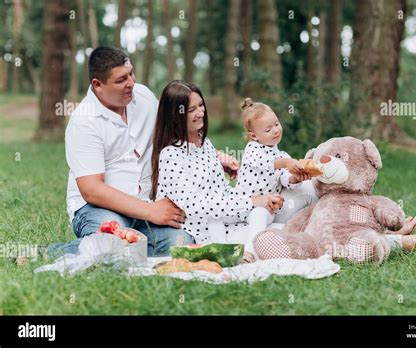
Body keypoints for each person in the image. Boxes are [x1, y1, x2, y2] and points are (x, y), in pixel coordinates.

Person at [51, 47, 239, 258]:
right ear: (98, 85)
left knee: (184, 243)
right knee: (114, 246)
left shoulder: (143, 97)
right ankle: (55, 252)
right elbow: (92, 190)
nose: (131, 82)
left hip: (149, 203)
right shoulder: (84, 122)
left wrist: (214, 157)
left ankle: (130, 243)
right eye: (121, 79)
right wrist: (151, 212)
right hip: (97, 209)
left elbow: (173, 132)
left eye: (131, 73)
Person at [149, 80, 286, 260]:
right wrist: (252, 201)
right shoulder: (170, 156)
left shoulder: (205, 144)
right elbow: (196, 205)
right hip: (203, 234)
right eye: (191, 110)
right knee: (270, 242)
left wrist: (251, 192)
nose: (200, 113)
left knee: (282, 230)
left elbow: (221, 192)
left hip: (227, 222)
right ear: (175, 115)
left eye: (200, 105)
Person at [232, 98, 317, 259]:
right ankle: (250, 250)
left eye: (276, 124)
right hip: (244, 203)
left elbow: (285, 180)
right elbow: (266, 163)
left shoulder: (282, 155)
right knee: (255, 216)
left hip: (267, 207)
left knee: (260, 215)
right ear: (254, 136)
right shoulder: (253, 150)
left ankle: (304, 234)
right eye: (268, 129)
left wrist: (296, 177)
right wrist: (286, 163)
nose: (276, 130)